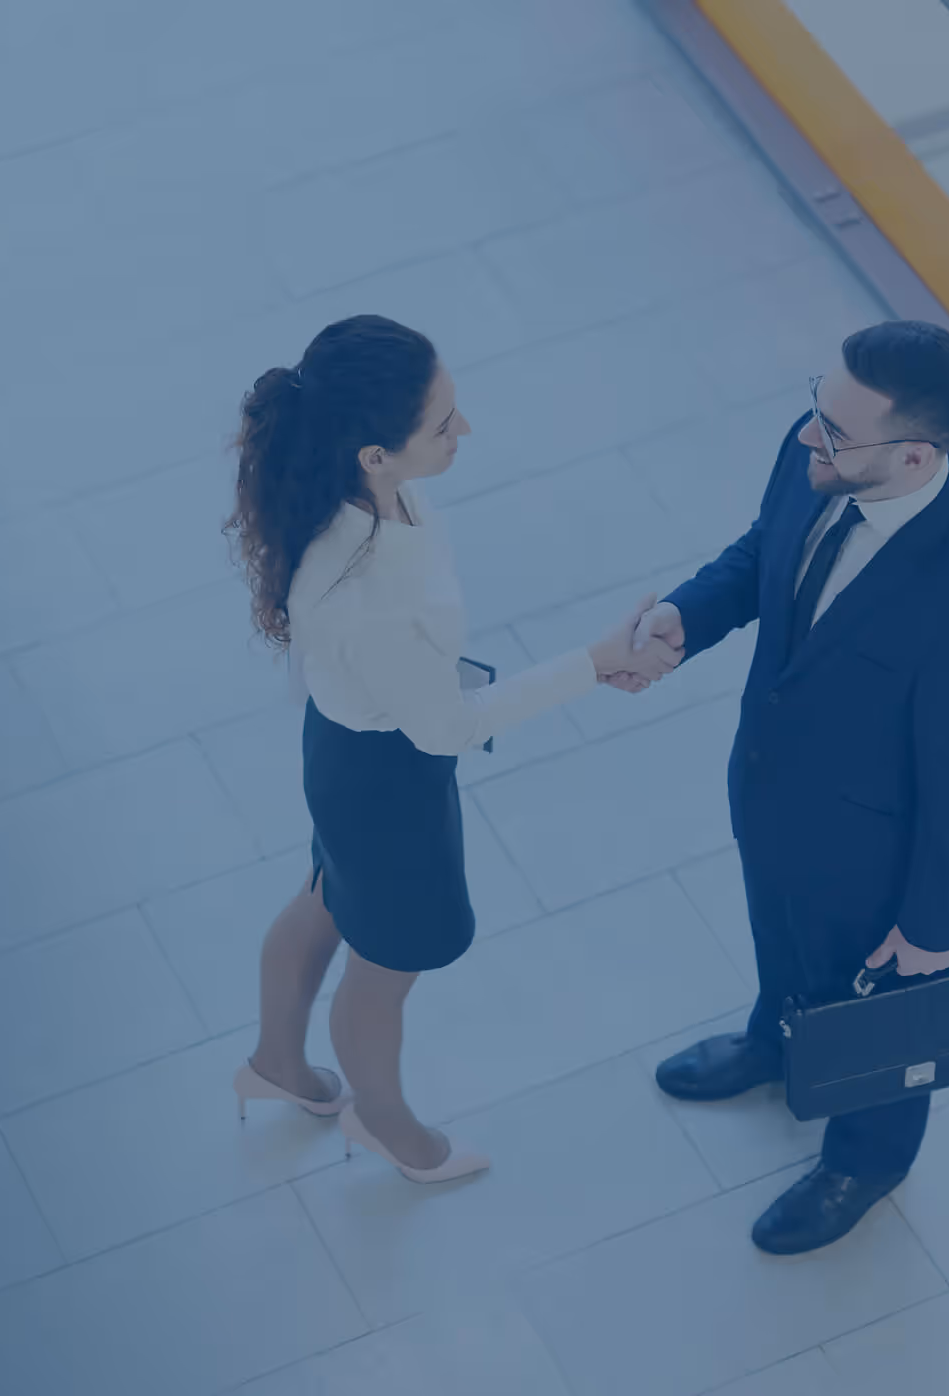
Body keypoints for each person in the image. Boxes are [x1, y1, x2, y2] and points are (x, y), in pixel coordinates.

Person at [221, 314, 675, 1182]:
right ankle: (387, 1125)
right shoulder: (374, 591)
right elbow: (448, 729)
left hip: (340, 751)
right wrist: (598, 661)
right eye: (443, 423)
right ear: (374, 454)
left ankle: (278, 1064)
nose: (464, 431)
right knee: (384, 965)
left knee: (325, 895)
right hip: (391, 784)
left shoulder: (346, 500)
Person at [623, 320, 949, 1254]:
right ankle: (776, 1039)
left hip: (867, 850)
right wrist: (684, 622)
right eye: (818, 407)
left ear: (916, 454)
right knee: (779, 933)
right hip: (770, 789)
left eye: (837, 431)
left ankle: (869, 1157)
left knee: (872, 1011)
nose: (810, 435)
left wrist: (932, 932)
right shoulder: (822, 448)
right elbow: (764, 552)